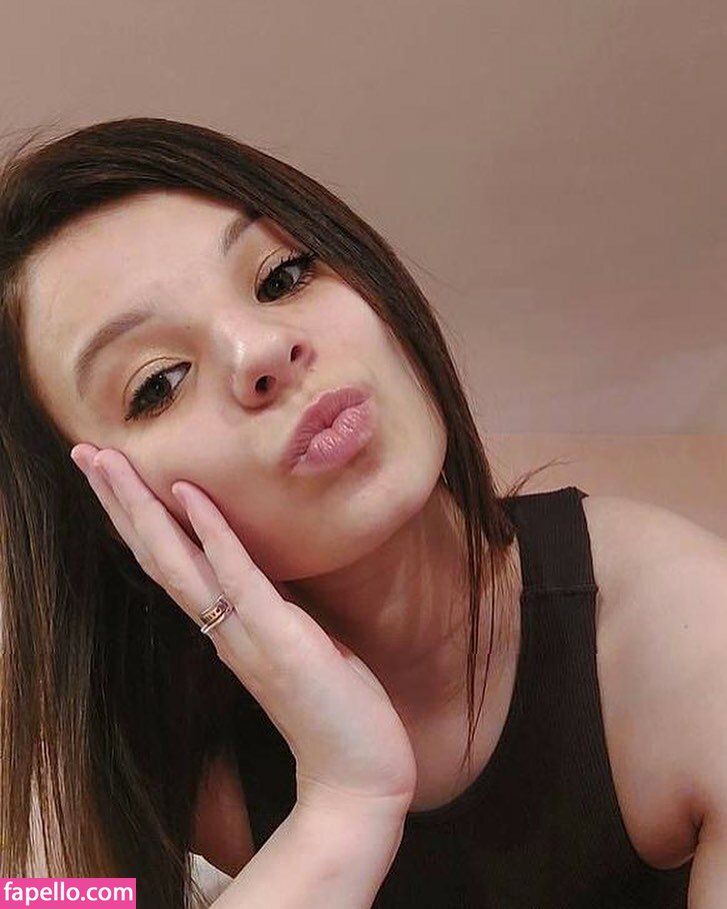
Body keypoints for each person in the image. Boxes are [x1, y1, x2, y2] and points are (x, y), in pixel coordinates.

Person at [0, 117, 724, 909]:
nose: (261, 350)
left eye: (281, 277)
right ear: (105, 518)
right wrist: (342, 806)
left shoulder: (688, 629)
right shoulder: (101, 756)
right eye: (158, 382)